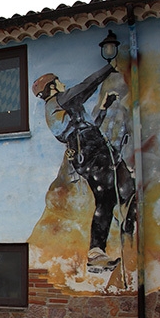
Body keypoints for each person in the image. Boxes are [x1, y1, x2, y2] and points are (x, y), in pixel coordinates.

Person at [32, 64, 136, 269]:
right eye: (59, 82)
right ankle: (102, 248)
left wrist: (104, 108)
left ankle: (102, 249)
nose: (63, 85)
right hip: (92, 156)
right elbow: (86, 86)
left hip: (94, 154)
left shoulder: (63, 108)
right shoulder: (59, 101)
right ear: (52, 88)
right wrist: (109, 67)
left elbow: (89, 127)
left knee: (116, 195)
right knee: (112, 197)